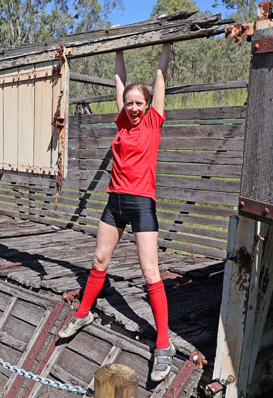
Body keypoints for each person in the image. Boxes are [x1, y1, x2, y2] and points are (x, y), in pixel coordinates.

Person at [58, 43, 174, 383]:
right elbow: (119, 80)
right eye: (130, 103)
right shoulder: (122, 120)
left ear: (148, 105)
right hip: (114, 202)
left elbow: (160, 76)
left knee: (150, 272)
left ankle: (163, 344)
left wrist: (165, 47)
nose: (134, 107)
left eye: (139, 103)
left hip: (141, 205)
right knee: (98, 261)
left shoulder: (153, 121)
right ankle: (83, 313)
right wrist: (119, 49)